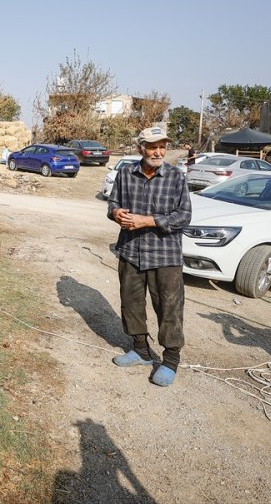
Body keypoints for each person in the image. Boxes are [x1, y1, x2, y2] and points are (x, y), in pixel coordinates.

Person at [107, 126, 192, 387]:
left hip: (164, 255)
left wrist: (149, 221)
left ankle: (170, 361)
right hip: (131, 251)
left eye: (162, 146)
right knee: (131, 303)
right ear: (140, 148)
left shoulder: (176, 176)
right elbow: (112, 204)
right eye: (152, 146)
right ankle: (141, 350)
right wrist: (116, 214)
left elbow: (184, 216)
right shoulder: (125, 172)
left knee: (169, 308)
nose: (158, 151)